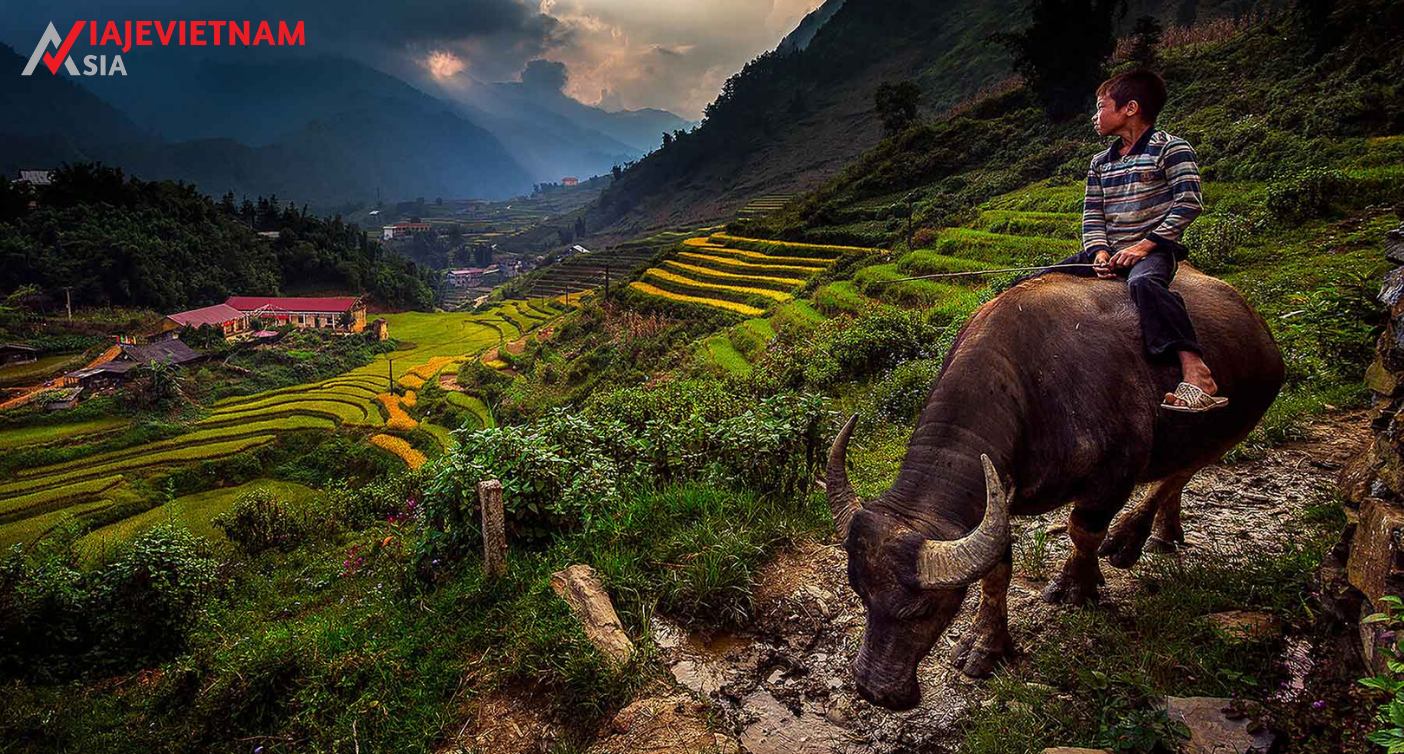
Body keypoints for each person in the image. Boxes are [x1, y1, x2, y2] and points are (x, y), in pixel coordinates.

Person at [1035, 69, 1226, 412]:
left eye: (1100, 107)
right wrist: (1098, 252)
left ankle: (1195, 368)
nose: (1095, 117)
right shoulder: (1100, 163)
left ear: (1130, 108)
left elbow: (1188, 203)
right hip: (1110, 251)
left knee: (1146, 285)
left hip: (1153, 251)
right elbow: (1092, 214)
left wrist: (1144, 246)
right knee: (1034, 282)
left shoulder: (1171, 149)